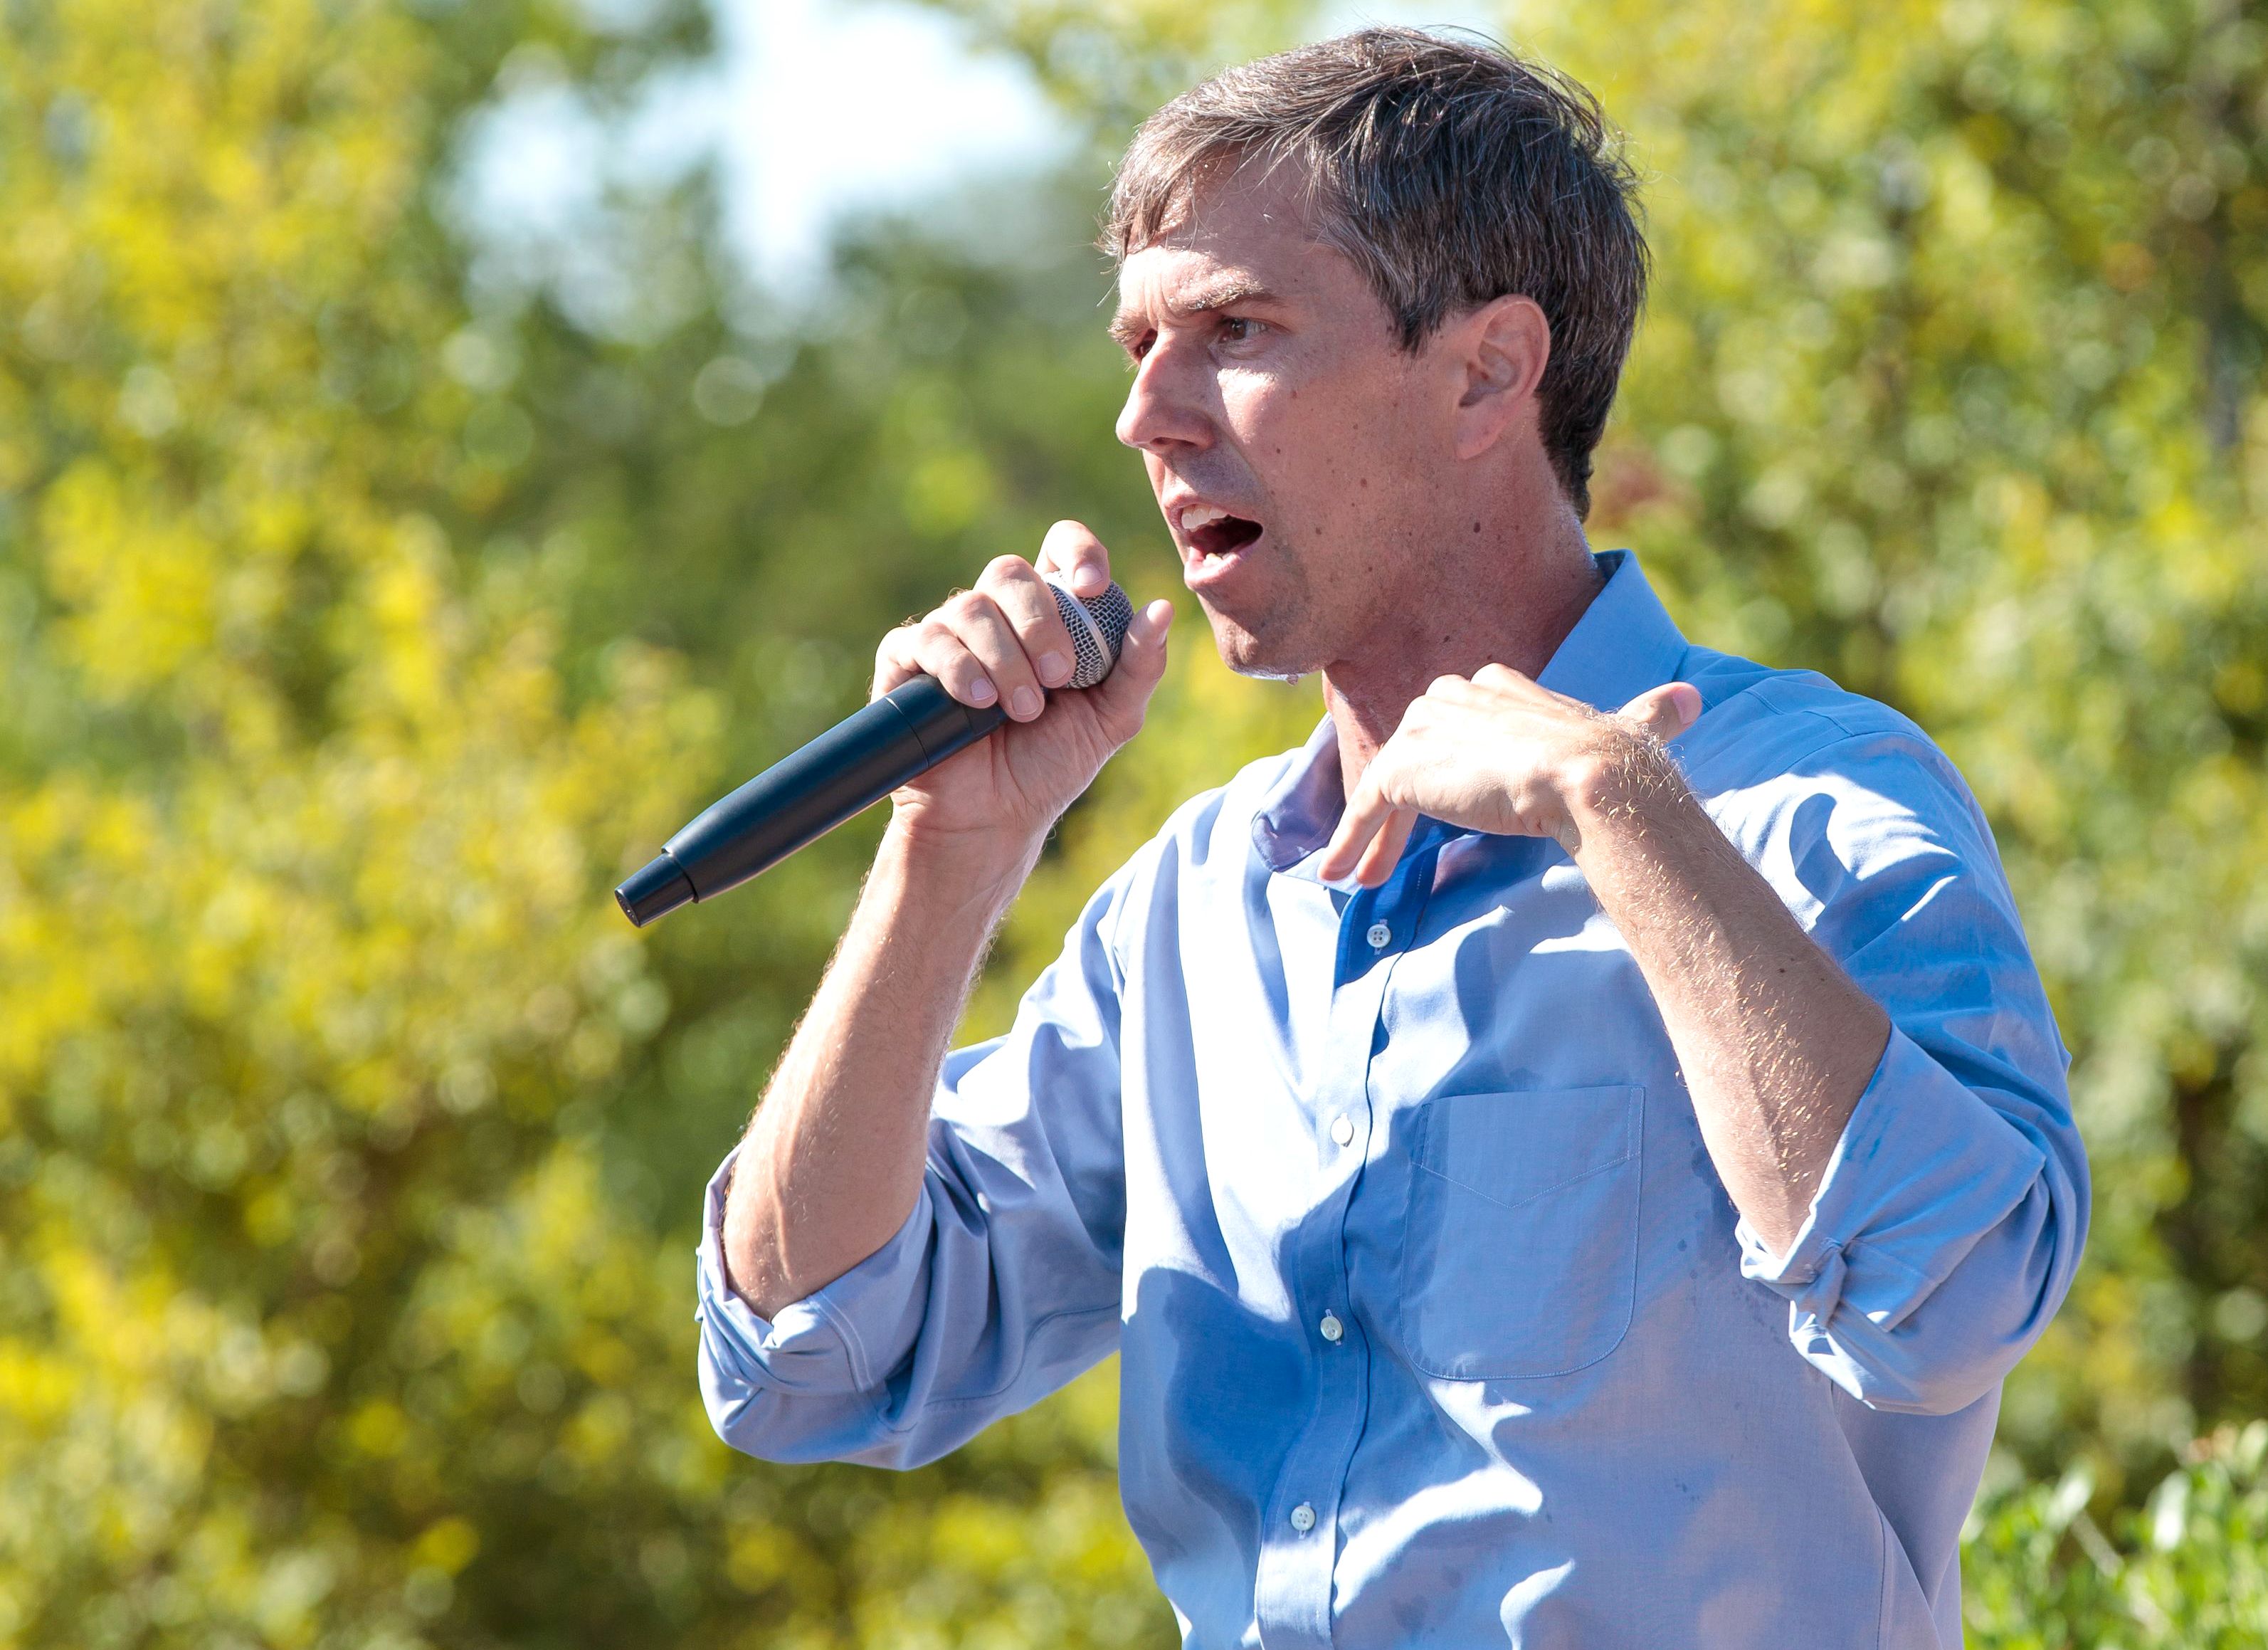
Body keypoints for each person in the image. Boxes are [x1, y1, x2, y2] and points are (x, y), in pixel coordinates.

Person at [693, 27, 2087, 1649]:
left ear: (1490, 370)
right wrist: (944, 859)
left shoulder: (1804, 805)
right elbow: (807, 1354)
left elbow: (1958, 1303)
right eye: (1139, 343)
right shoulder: (1191, 914)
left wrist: (1616, 814)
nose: (1147, 414)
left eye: (1233, 330)